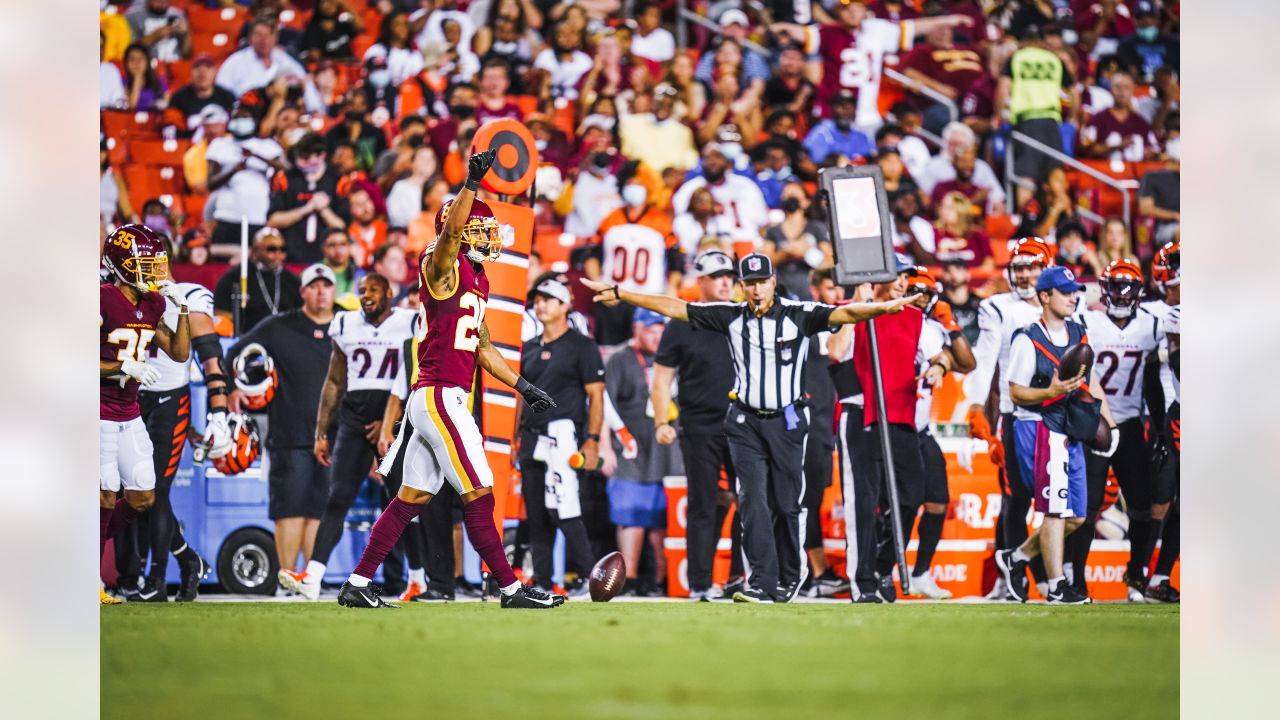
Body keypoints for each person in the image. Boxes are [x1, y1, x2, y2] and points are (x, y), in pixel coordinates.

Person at [583, 254, 928, 603]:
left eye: (762, 281)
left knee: (786, 503)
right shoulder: (731, 316)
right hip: (745, 422)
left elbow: (846, 314)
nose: (757, 289)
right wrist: (621, 293)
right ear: (741, 287)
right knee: (752, 501)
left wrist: (887, 307)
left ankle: (790, 574)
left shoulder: (799, 314)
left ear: (774, 281)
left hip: (787, 422)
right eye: (749, 283)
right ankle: (762, 581)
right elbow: (675, 308)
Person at [336, 149, 564, 609]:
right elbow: (450, 235)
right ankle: (511, 589)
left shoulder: (477, 278)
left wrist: (524, 388)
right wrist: (471, 186)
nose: (487, 238)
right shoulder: (442, 265)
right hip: (440, 397)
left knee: (410, 498)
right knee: (479, 492)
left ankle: (357, 584)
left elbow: (481, 346)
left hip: (441, 398)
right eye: (479, 230)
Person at [959, 238, 1081, 599]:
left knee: (1063, 503)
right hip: (1021, 415)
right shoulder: (998, 308)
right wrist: (976, 406)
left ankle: (1037, 567)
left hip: (1063, 416)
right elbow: (984, 361)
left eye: (1032, 267)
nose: (1025, 274)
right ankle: (1015, 578)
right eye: (1019, 268)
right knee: (1018, 497)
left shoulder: (1070, 306)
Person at [287, 274, 419, 601]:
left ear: (389, 291)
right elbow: (334, 381)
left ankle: (417, 577)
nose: (366, 295)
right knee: (339, 495)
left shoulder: (410, 321)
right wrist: (321, 431)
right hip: (355, 416)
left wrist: (394, 420)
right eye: (361, 291)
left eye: (373, 289)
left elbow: (416, 373)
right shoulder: (344, 323)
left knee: (401, 501)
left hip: (395, 415)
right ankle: (313, 576)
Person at [995, 266, 1117, 605]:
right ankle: (1056, 585)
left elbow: (1089, 382)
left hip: (1070, 426)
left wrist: (1111, 423)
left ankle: (1016, 557)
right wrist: (1050, 390)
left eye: (1074, 291)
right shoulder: (1027, 337)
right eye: (1065, 292)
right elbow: (1017, 392)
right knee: (1055, 509)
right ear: (1045, 296)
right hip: (1037, 425)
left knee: (1077, 514)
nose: (1073, 296)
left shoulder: (1079, 332)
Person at [122, 240, 228, 603]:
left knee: (156, 493)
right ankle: (184, 562)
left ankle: (156, 580)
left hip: (170, 401)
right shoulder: (124, 291)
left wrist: (219, 411)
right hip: (128, 399)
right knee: (131, 492)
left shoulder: (188, 294)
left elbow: (209, 353)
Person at [228, 265, 338, 593]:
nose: (321, 292)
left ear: (334, 291)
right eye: (314, 286)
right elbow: (234, 352)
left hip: (333, 436)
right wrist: (234, 387)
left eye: (326, 286)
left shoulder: (346, 325)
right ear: (302, 291)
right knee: (290, 509)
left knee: (319, 510)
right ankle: (287, 581)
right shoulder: (279, 326)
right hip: (289, 434)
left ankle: (310, 579)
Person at [99, 224, 191, 604]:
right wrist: (122, 367)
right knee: (105, 497)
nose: (154, 270)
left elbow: (180, 352)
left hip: (130, 411)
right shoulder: (100, 298)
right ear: (123, 263)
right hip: (98, 410)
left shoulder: (153, 303)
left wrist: (182, 307)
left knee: (142, 498)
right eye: (147, 263)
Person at [1069, 259, 1164, 600]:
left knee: (1142, 504)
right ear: (1103, 288)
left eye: (1129, 288)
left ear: (1140, 292)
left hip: (1131, 424)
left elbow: (1153, 380)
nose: (1122, 295)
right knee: (1087, 507)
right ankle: (1076, 580)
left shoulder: (1152, 326)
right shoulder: (1087, 322)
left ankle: (1136, 576)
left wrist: (1161, 427)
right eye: (1115, 287)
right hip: (1095, 424)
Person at [650, 251, 743, 601]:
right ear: (700, 281)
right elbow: (661, 380)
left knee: (750, 502)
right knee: (704, 502)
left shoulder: (742, 316)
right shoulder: (680, 322)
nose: (725, 282)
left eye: (729, 276)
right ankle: (701, 583)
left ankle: (738, 576)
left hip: (743, 424)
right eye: (717, 276)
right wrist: (662, 420)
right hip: (699, 426)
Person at [516, 278, 606, 597]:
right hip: (531, 435)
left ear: (565, 305)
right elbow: (520, 396)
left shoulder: (583, 346)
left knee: (565, 508)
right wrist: (516, 435)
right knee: (536, 511)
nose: (539, 304)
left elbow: (596, 396)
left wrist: (593, 439)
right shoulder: (528, 347)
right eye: (537, 299)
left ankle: (593, 576)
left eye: (547, 299)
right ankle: (542, 580)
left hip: (563, 434)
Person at [771, 3, 972, 128]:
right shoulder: (828, 32)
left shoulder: (879, 30)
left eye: (855, 6)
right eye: (845, 7)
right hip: (831, 113)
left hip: (868, 115)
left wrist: (950, 20)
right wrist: (783, 27)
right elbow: (800, 33)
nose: (850, 12)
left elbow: (913, 28)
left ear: (865, 8)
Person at [901, 267, 975, 599]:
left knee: (937, 501)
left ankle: (921, 572)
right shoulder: (891, 322)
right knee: (903, 504)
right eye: (914, 293)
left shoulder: (931, 329)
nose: (919, 301)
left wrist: (951, 323)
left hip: (921, 428)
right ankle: (886, 568)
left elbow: (966, 362)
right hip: (896, 427)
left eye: (925, 295)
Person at [603, 309, 677, 596]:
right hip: (631, 450)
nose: (657, 335)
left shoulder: (671, 357)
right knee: (630, 518)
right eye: (650, 329)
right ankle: (628, 580)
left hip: (667, 452)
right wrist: (605, 447)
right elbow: (602, 404)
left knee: (663, 521)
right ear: (636, 328)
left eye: (661, 329)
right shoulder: (621, 359)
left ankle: (662, 580)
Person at [585, 164, 682, 345]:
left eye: (638, 183)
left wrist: (670, 291)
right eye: (630, 183)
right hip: (613, 297)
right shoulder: (610, 219)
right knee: (608, 351)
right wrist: (599, 283)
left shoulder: (661, 221)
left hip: (648, 297)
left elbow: (676, 261)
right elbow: (591, 255)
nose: (633, 187)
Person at [798, 268, 847, 598]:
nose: (836, 294)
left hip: (829, 427)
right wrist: (852, 314)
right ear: (816, 291)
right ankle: (813, 572)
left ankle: (814, 571)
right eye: (831, 289)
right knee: (807, 501)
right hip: (810, 428)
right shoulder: (812, 323)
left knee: (812, 501)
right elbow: (835, 350)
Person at [1140, 242, 1180, 603]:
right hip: (1174, 416)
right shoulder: (1162, 314)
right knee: (1160, 502)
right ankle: (1142, 575)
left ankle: (1159, 576)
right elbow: (1155, 370)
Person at [995, 26, 1077, 185]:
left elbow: (1003, 88)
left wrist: (1000, 115)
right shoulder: (1054, 59)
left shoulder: (1017, 57)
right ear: (1041, 41)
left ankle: (1025, 210)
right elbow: (1074, 91)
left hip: (1027, 121)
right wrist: (1073, 117)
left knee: (1026, 173)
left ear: (1024, 41)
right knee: (1055, 172)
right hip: (1052, 120)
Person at [205, 103, 286, 253]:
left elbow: (285, 167)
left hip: (258, 216)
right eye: (236, 117)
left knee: (256, 260)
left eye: (245, 117)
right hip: (227, 215)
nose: (240, 120)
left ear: (254, 120)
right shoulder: (219, 145)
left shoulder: (267, 145)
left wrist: (255, 155)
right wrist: (234, 170)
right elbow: (210, 183)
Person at [267, 132, 351, 265]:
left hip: (326, 259)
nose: (300, 161)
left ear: (321, 155)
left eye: (305, 157)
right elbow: (273, 220)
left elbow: (342, 227)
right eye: (298, 156)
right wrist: (306, 209)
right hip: (291, 256)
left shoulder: (338, 180)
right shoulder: (285, 178)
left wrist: (323, 210)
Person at [671, 143, 768, 251]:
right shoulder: (690, 188)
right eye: (708, 158)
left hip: (745, 240)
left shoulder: (745, 185)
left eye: (718, 157)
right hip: (708, 243)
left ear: (728, 162)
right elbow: (681, 220)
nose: (713, 162)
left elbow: (762, 220)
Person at [213, 227, 302, 334]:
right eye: (271, 249)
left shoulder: (292, 281)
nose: (278, 254)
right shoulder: (233, 279)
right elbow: (221, 315)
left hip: (285, 338)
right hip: (246, 338)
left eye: (282, 249)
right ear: (256, 250)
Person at [216, 16, 313, 100]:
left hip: (283, 117)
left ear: (276, 37)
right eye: (258, 34)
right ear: (250, 37)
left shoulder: (287, 62)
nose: (263, 40)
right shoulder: (234, 62)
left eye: (268, 35)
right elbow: (220, 95)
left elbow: (310, 94)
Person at [763, 182, 831, 300]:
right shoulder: (773, 230)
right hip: (782, 289)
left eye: (794, 196)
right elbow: (766, 263)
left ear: (806, 202)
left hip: (810, 289)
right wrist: (784, 253)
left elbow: (829, 261)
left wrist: (807, 253)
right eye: (786, 196)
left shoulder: (816, 227)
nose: (790, 199)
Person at [1078, 72, 1159, 162]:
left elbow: (1155, 150)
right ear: (1110, 90)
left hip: (1134, 174)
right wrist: (1117, 146)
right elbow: (1087, 150)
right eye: (1117, 87)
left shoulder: (1141, 123)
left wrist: (1149, 154)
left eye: (1126, 88)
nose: (1122, 92)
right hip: (1103, 173)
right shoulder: (1098, 120)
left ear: (1133, 90)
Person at [619, 84, 700, 175]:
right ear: (652, 103)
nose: (664, 108)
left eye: (669, 105)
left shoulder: (683, 132)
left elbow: (690, 161)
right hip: (639, 175)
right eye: (660, 103)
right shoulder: (630, 123)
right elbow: (627, 153)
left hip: (670, 180)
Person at [167, 54, 236, 135]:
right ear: (191, 72)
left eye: (207, 67)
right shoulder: (179, 98)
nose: (202, 71)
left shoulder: (227, 97)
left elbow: (234, 124)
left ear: (215, 72)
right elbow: (171, 126)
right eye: (197, 66)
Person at [803, 90, 875, 165]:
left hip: (861, 174)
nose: (845, 111)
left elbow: (871, 156)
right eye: (840, 106)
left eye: (849, 106)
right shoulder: (822, 131)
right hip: (830, 174)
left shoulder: (861, 136)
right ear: (832, 109)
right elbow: (816, 160)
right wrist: (836, 159)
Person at [125, 0, 190, 62]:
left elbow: (187, 54)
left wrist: (185, 36)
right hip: (149, 66)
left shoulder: (178, 14)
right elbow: (128, 52)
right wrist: (152, 37)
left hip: (175, 64)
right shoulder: (132, 16)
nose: (162, 1)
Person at [320, 228, 363, 309]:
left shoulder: (361, 275)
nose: (338, 250)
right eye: (332, 245)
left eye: (343, 244)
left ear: (350, 247)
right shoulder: (314, 272)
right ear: (323, 248)